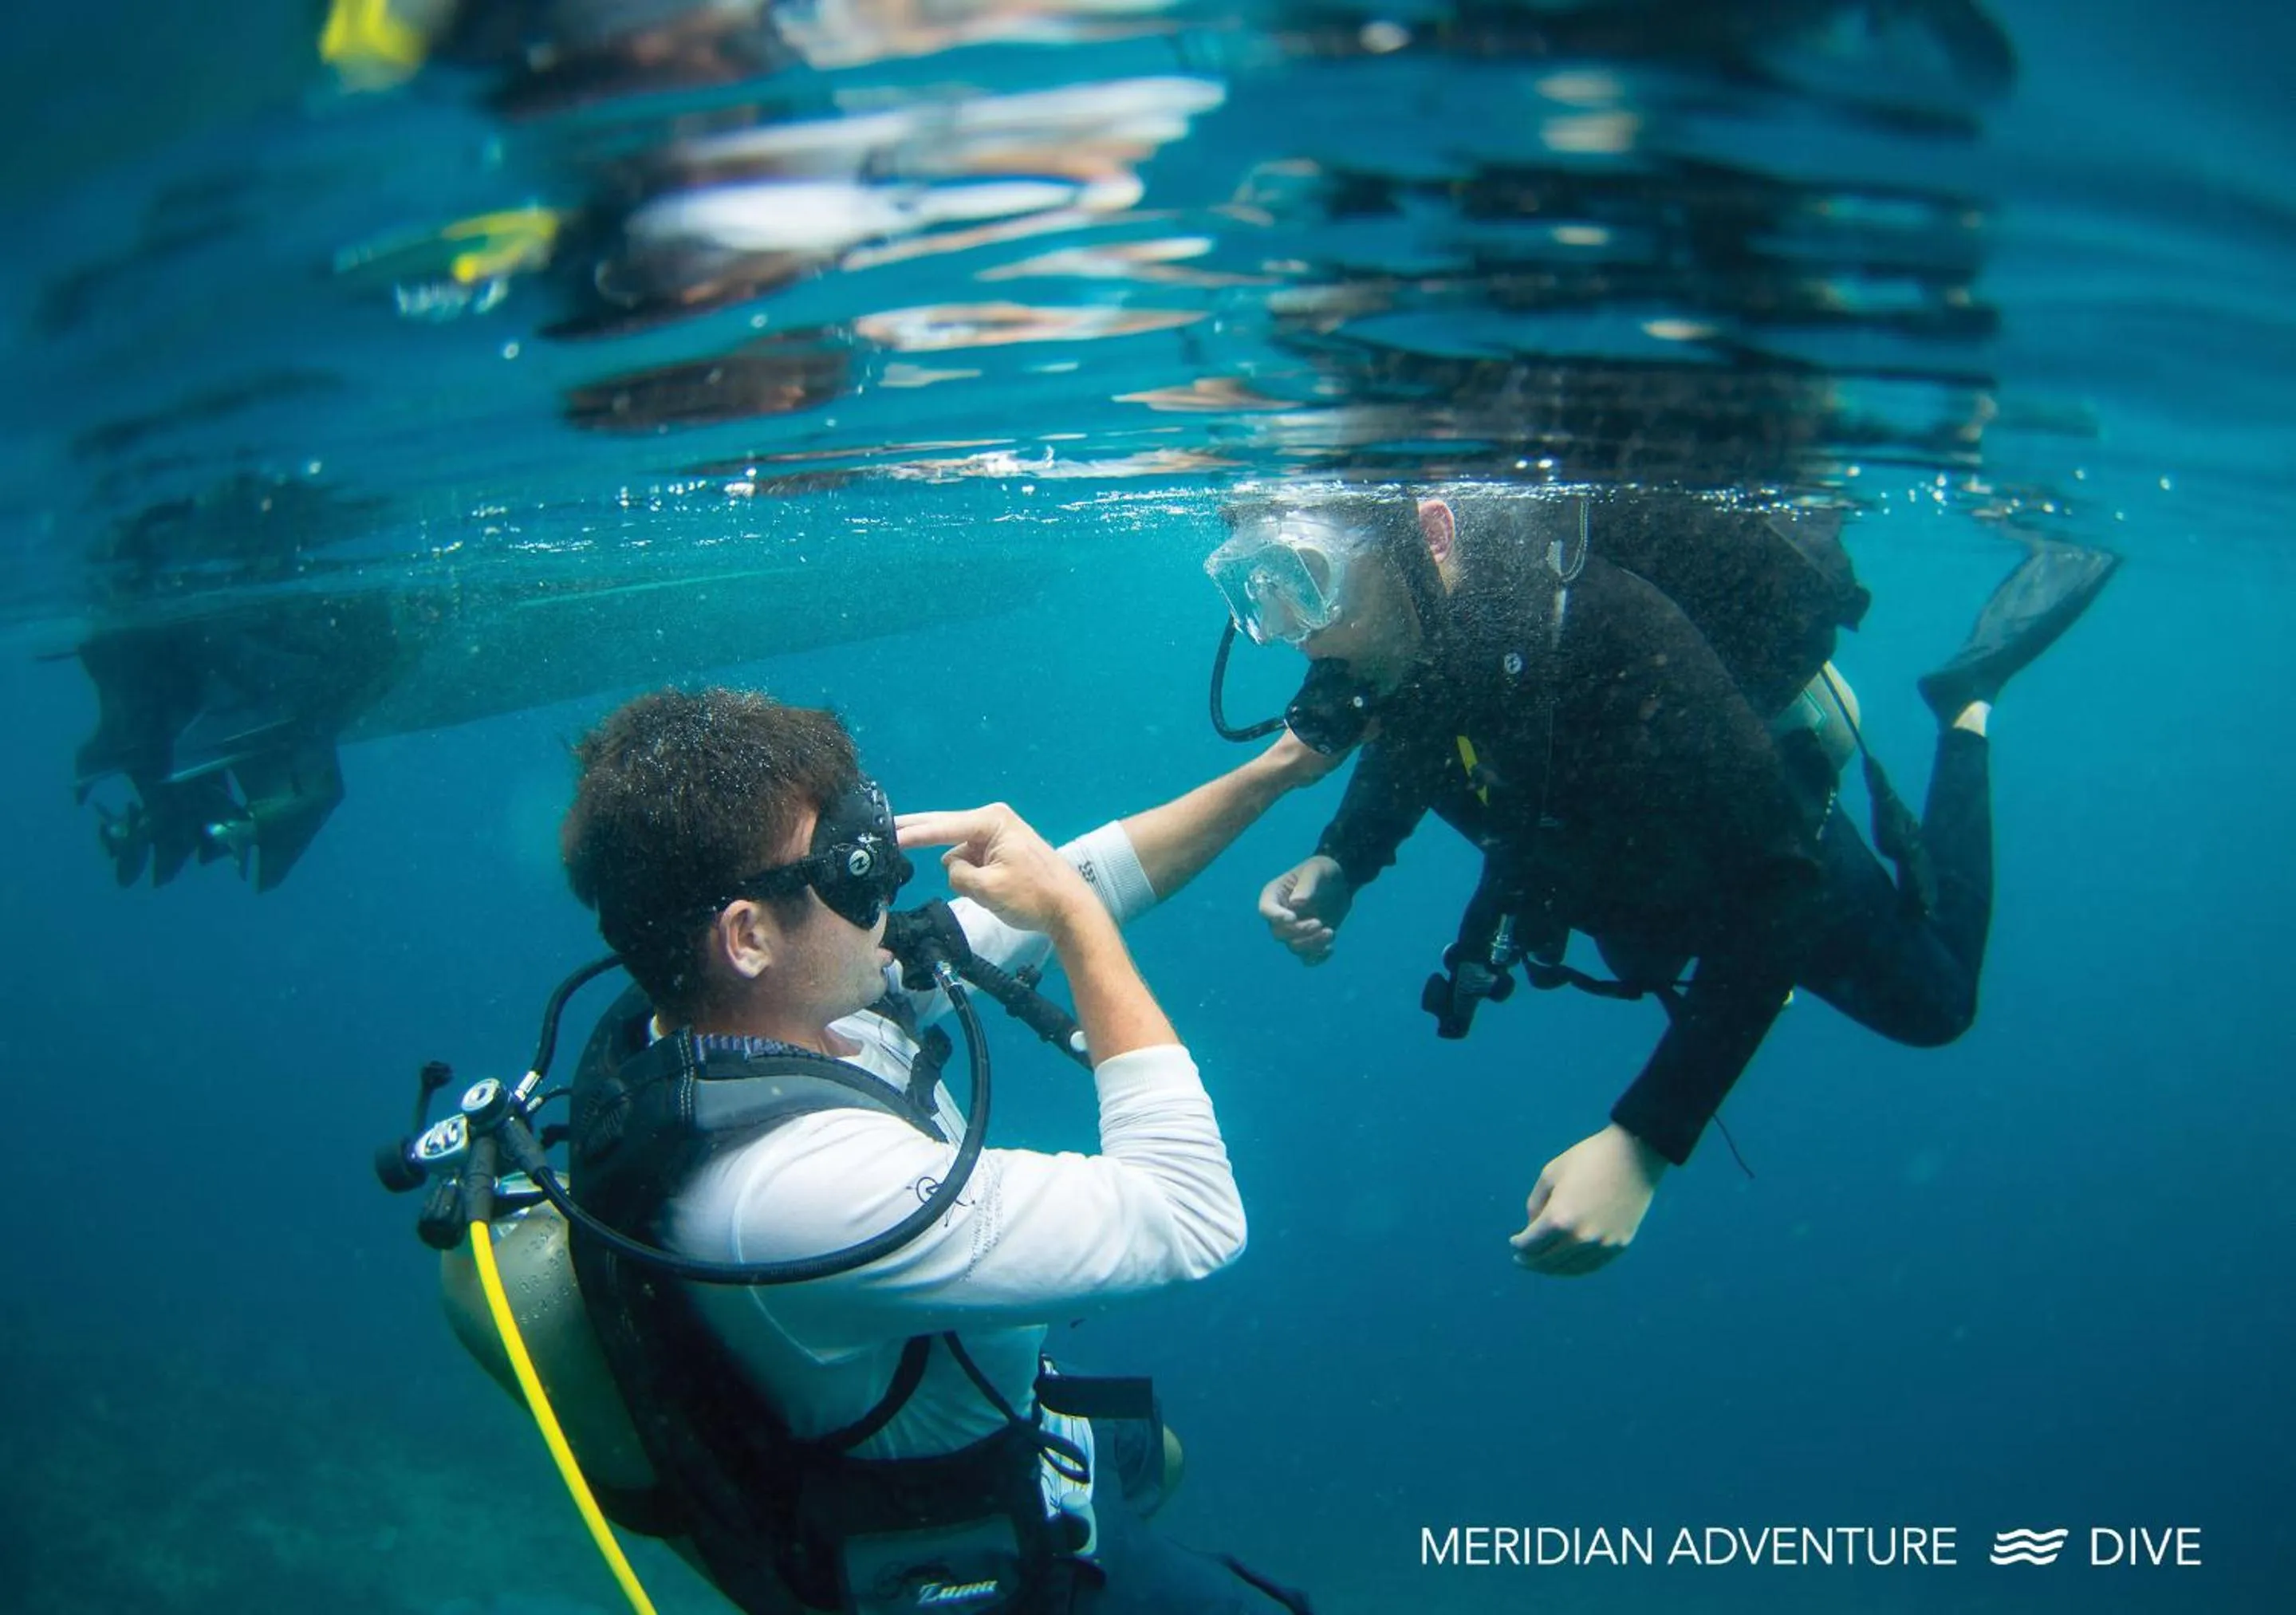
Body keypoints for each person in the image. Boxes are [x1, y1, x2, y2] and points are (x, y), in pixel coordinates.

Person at [1206, 484, 2117, 1278]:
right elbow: (1415, 739)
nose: (1295, 633)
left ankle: (1966, 698)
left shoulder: (1602, 622)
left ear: (1434, 534)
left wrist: (1646, 1141)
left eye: (1308, 578)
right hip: (1625, 877)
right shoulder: (1410, 637)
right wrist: (1344, 862)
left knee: (1936, 1006)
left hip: (1749, 848)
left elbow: (1780, 889)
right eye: (1262, 592)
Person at [546, 686, 1324, 1615]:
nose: (886, 893)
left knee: (1157, 1454)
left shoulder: (747, 1011)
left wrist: (1286, 769)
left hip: (1006, 1413)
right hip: (975, 1536)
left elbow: (1094, 874)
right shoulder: (795, 1193)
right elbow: (1191, 1219)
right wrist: (1073, 924)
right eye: (847, 873)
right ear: (747, 937)